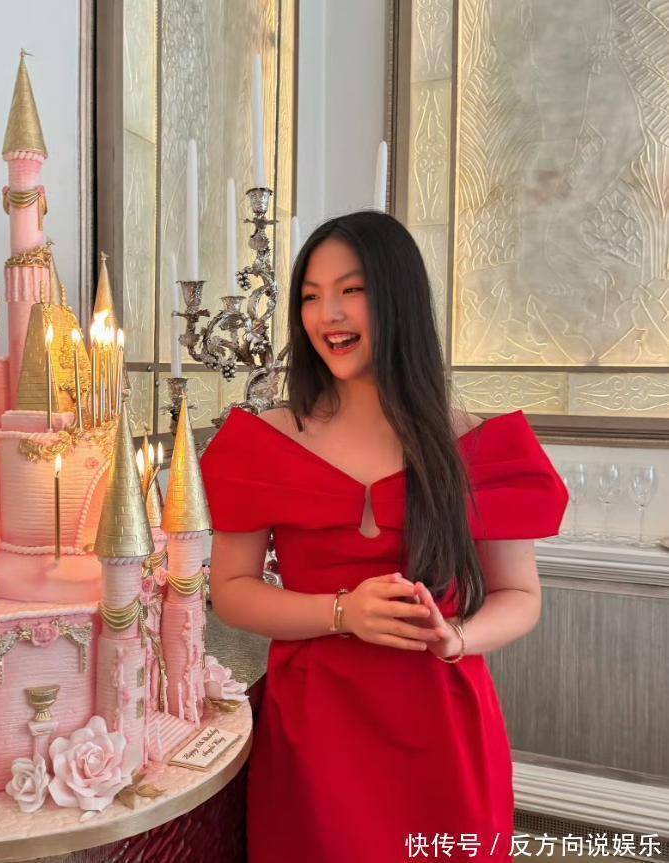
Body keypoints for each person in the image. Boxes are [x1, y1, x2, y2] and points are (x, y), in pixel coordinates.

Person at [198, 210, 569, 863]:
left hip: (443, 727)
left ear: (399, 297)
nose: (328, 315)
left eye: (352, 289)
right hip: (317, 735)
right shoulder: (265, 440)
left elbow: (520, 594)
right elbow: (230, 590)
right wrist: (341, 612)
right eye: (310, 296)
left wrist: (458, 637)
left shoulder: (476, 444)